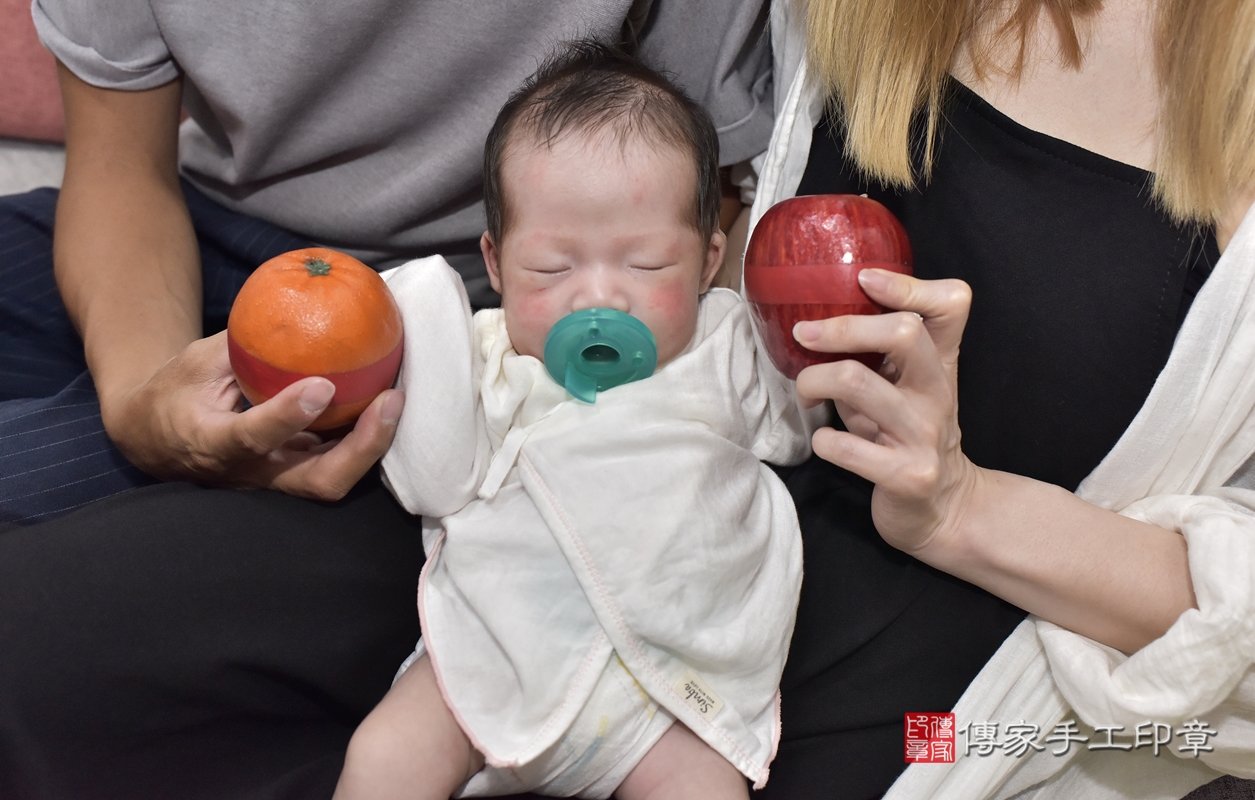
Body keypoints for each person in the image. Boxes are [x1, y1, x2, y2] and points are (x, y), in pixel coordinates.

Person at [746, 0, 1255, 798]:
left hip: (968, 726)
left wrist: (958, 505)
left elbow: (1237, 633)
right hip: (723, 623)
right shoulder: (843, 19)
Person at [0, 0, 772, 524]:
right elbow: (120, 169)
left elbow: (704, 193)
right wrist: (141, 401)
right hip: (190, 225)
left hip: (447, 323)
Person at [335, 44, 817, 799]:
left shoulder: (723, 344)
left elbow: (794, 425)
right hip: (496, 660)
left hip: (668, 691)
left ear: (707, 261)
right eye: (552, 269)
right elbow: (436, 478)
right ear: (493, 265)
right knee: (384, 757)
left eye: (647, 265)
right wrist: (420, 314)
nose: (598, 299)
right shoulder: (491, 358)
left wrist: (810, 327)